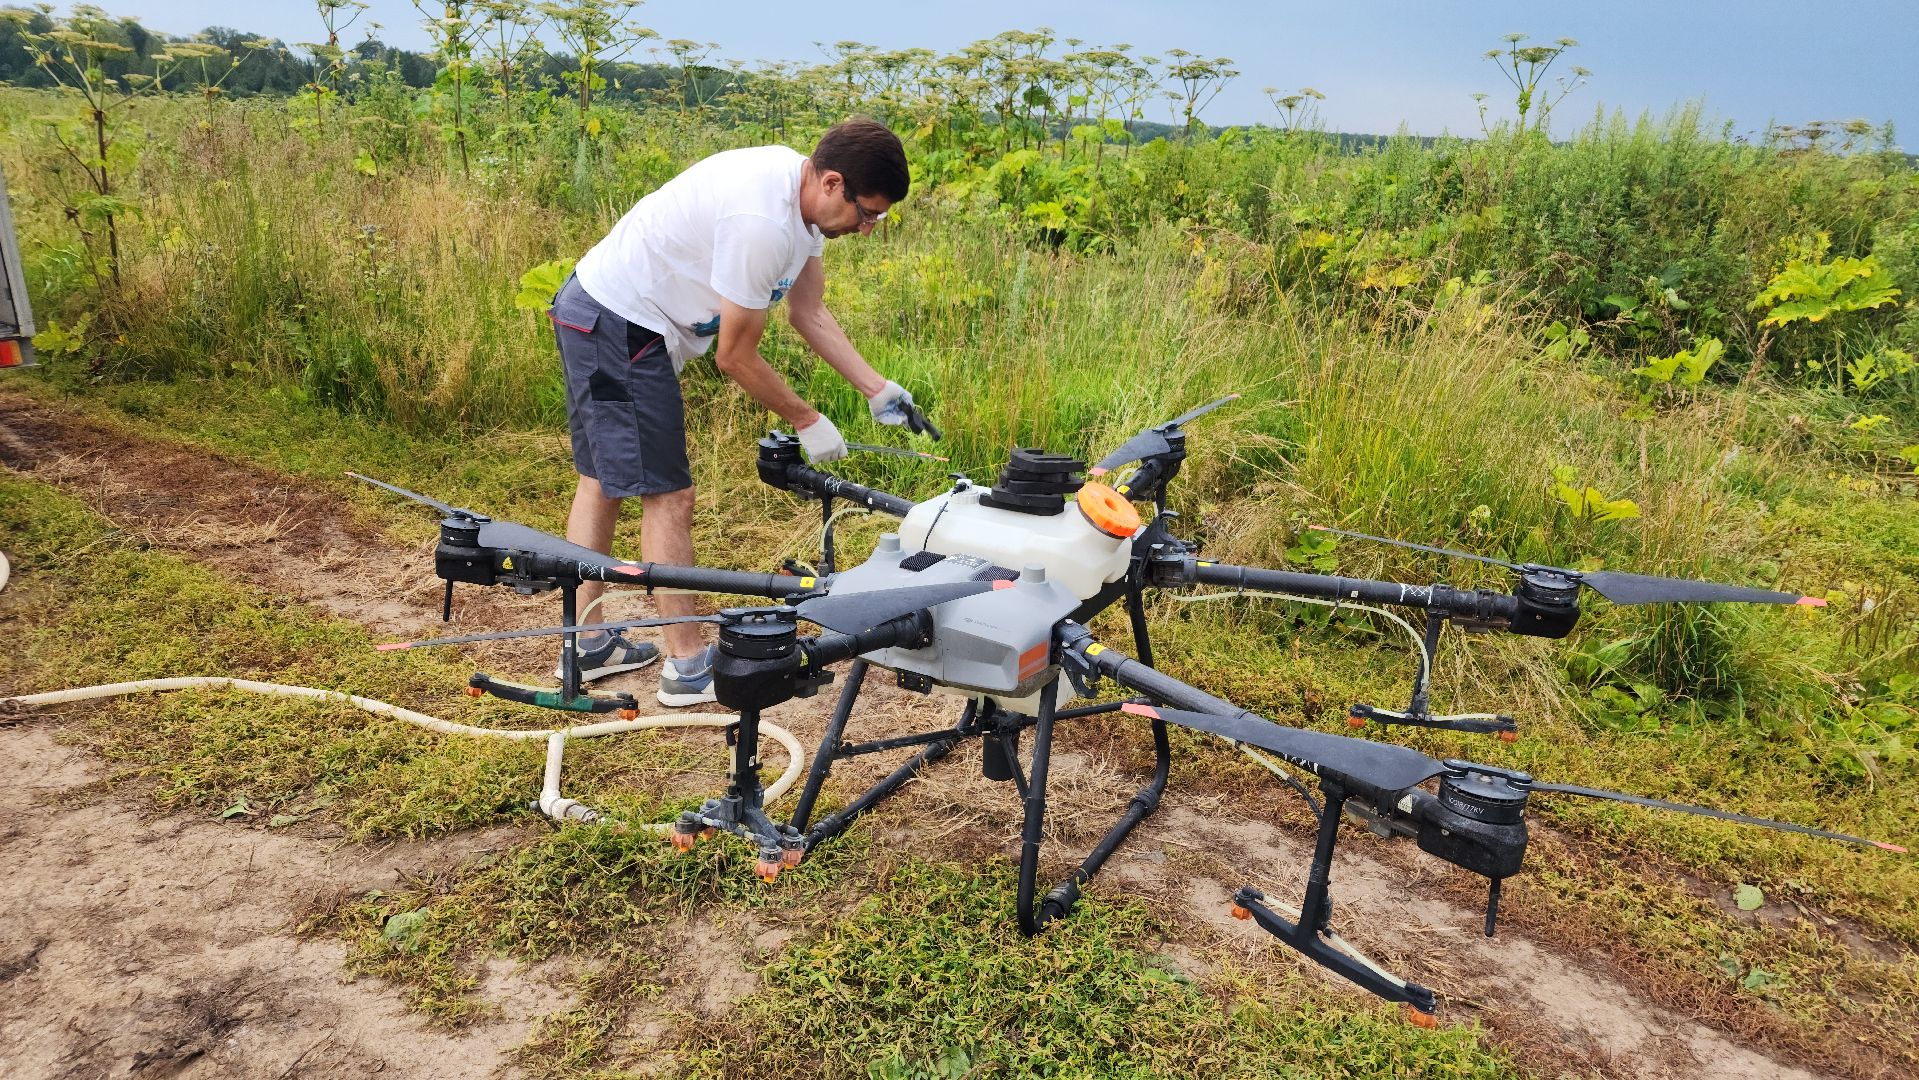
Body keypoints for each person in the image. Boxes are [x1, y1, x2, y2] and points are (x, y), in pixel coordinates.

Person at [548, 118, 921, 706]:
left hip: (607, 314)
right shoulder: (762, 226)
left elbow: (809, 311)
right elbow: (735, 355)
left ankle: (588, 643)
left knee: (604, 478)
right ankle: (687, 666)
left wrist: (877, 389)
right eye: (866, 213)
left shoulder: (802, 206)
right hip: (616, 322)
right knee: (668, 495)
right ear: (830, 182)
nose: (869, 229)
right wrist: (806, 419)